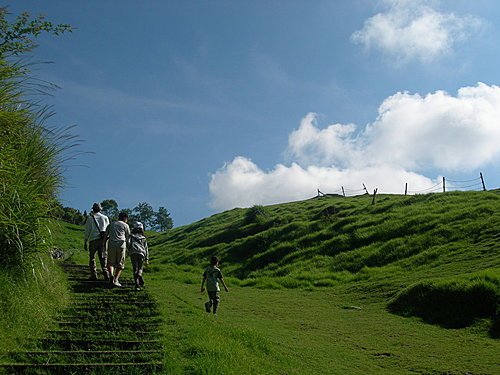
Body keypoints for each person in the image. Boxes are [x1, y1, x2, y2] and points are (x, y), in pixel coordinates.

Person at [84, 203, 110, 281]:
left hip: (93, 239)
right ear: (100, 209)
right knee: (103, 257)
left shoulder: (90, 218)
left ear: (93, 209)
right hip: (103, 240)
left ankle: (94, 274)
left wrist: (85, 241)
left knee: (92, 258)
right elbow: (108, 229)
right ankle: (106, 274)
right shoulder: (105, 218)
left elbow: (87, 230)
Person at [106, 211, 131, 287]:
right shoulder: (125, 225)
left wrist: (104, 245)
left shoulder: (111, 224)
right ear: (125, 218)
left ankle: (111, 275)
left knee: (110, 263)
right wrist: (129, 248)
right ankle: (116, 280)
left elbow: (106, 235)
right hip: (121, 244)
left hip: (112, 244)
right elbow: (128, 238)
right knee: (120, 264)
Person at [129, 221, 149, 291]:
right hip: (141, 253)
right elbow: (146, 248)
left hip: (133, 252)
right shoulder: (143, 238)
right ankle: (140, 275)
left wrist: (128, 251)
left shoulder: (131, 236)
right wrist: (147, 259)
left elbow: (128, 244)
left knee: (135, 268)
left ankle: (136, 284)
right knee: (140, 267)